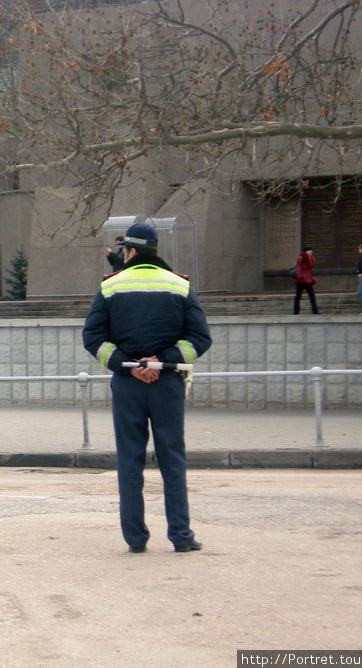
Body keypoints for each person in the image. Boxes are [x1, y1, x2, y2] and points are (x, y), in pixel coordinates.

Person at [82, 223, 212, 554]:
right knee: (172, 459)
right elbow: (200, 338)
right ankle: (181, 536)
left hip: (128, 384)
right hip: (167, 382)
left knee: (129, 461)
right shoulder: (179, 285)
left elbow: (93, 338)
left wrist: (128, 364)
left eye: (123, 250)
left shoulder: (111, 286)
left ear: (131, 251)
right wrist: (161, 361)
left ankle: (135, 539)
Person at [293, 246, 319, 314]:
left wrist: (311, 278)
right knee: (298, 296)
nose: (311, 252)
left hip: (308, 280)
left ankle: (315, 311)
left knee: (312, 296)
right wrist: (300, 277)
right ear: (305, 252)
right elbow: (298, 268)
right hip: (301, 280)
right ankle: (296, 311)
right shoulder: (301, 258)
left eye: (311, 250)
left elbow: (308, 270)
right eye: (309, 250)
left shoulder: (311, 258)